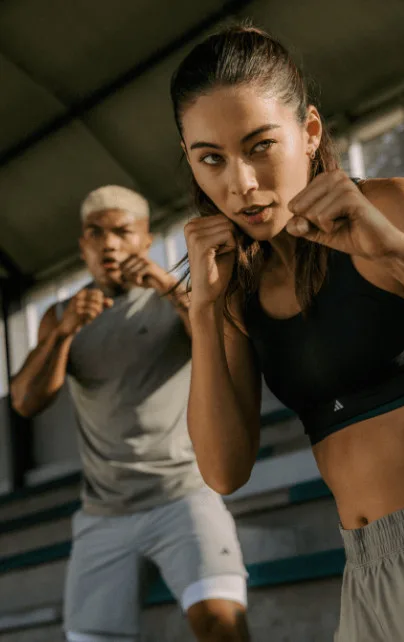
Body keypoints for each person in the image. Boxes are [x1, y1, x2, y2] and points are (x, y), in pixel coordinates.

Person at [169, 24, 404, 641]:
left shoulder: (397, 208)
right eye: (212, 159)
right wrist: (204, 308)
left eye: (260, 145)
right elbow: (225, 472)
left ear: (309, 133)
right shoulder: (233, 286)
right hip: (366, 575)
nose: (241, 185)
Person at [10, 185, 250, 642]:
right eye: (95, 234)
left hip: (182, 496)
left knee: (223, 626)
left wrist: (168, 287)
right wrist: (61, 334)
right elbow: (25, 401)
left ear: (145, 238)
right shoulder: (62, 315)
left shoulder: (178, 295)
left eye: (122, 232)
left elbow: (224, 349)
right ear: (83, 246)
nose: (109, 244)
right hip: (104, 511)